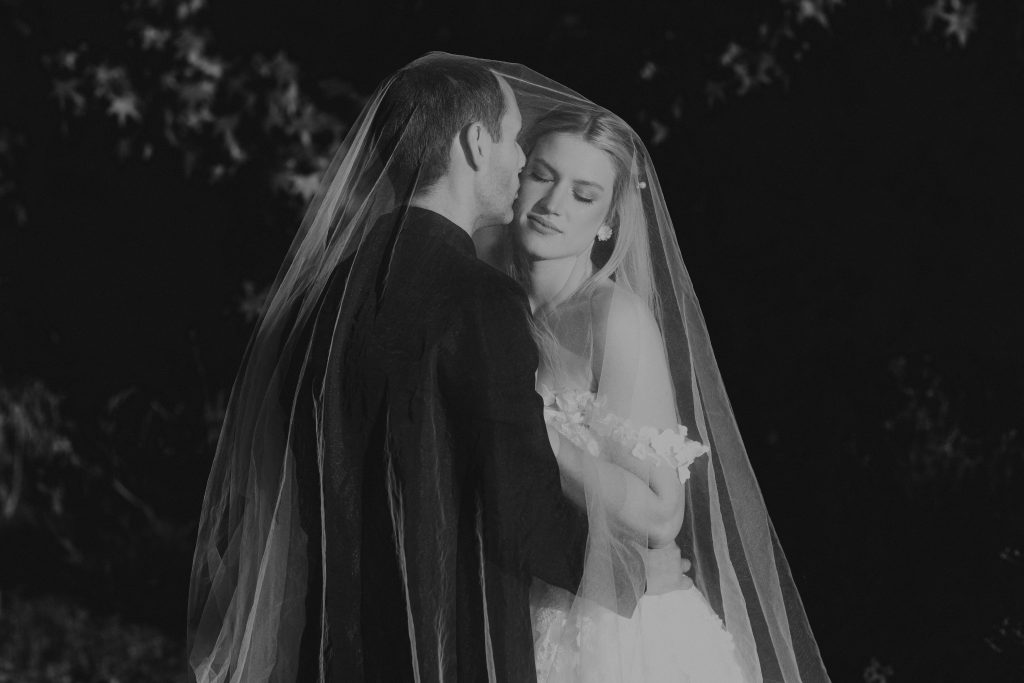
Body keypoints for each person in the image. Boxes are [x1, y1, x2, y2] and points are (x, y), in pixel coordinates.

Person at [187, 54, 659, 683]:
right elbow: (517, 504)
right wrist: (625, 575)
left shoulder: (328, 291)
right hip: (442, 638)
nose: (520, 160)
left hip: (331, 639)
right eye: (513, 140)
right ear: (476, 143)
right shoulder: (480, 299)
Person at [478, 106, 833, 682]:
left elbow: (662, 517)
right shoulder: (482, 296)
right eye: (542, 176)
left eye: (584, 194)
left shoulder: (613, 319)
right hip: (506, 594)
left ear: (608, 220)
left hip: (612, 624)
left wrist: (532, 427)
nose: (554, 204)